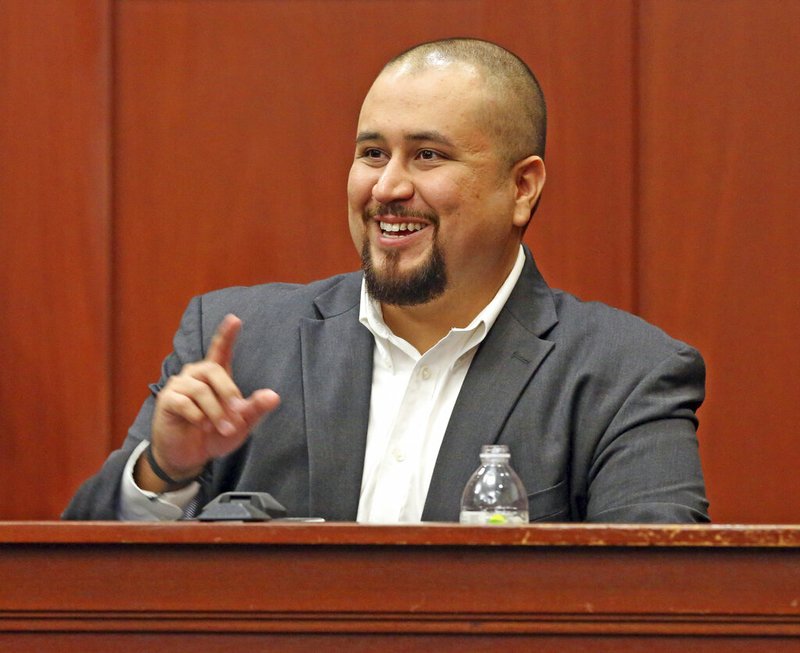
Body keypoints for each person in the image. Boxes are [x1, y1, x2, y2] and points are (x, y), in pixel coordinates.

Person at [63, 38, 708, 523]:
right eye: (372, 153)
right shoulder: (240, 345)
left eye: (427, 155)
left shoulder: (625, 376)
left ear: (521, 187)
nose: (387, 187)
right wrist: (166, 472)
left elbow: (661, 603)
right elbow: (75, 587)